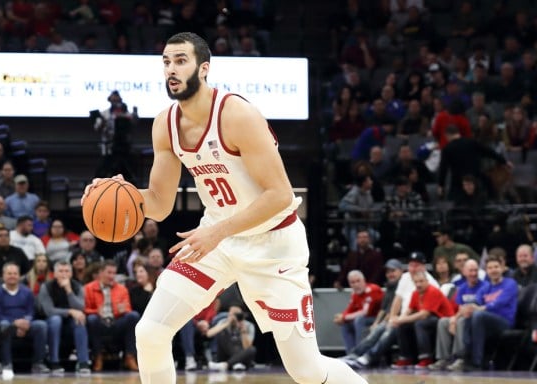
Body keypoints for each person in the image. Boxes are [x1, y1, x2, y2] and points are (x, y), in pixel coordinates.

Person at [82, 32, 367, 384]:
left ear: (204, 68)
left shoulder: (236, 115)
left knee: (306, 370)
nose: (171, 69)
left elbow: (279, 194)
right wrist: (114, 192)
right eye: (166, 62)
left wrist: (217, 231)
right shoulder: (166, 125)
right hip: (217, 239)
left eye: (181, 61)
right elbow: (158, 203)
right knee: (150, 332)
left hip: (273, 243)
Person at [0, 263, 49, 379]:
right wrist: (15, 323)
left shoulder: (27, 292)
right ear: (3, 276)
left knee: (41, 325)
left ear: (19, 276)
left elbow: (31, 312)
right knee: (4, 325)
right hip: (8, 324)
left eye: (15, 273)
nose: (12, 276)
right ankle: (7, 364)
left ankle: (38, 363)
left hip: (25, 324)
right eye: (9, 274)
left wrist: (25, 322)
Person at [38, 260, 91, 374]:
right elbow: (49, 311)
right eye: (61, 271)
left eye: (67, 271)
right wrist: (70, 311)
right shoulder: (46, 287)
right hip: (51, 321)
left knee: (80, 320)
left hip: (70, 322)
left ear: (71, 274)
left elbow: (80, 307)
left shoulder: (77, 286)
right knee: (56, 320)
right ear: (55, 274)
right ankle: (54, 362)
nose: (64, 274)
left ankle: (83, 362)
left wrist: (69, 291)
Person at [334, 270, 384, 353]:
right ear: (349, 284)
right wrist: (342, 317)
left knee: (359, 319)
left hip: (379, 319)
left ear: (364, 280)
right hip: (366, 319)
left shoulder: (372, 290)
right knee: (345, 324)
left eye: (358, 281)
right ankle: (350, 354)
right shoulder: (354, 293)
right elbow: (350, 309)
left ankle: (359, 352)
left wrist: (344, 317)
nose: (356, 285)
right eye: (352, 282)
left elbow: (365, 312)